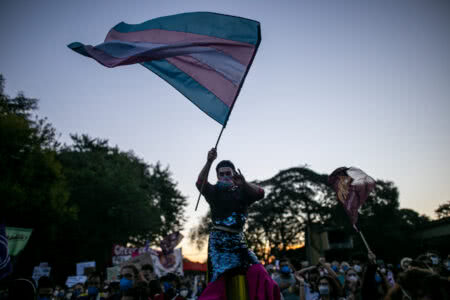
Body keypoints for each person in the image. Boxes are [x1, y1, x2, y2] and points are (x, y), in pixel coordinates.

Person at [196, 148, 280, 300]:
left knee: (259, 272)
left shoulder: (243, 191)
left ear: (234, 174)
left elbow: (260, 193)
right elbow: (200, 182)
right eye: (222, 174)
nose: (225, 176)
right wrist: (209, 161)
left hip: (239, 241)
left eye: (228, 173)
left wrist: (244, 183)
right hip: (219, 243)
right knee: (218, 282)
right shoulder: (213, 191)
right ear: (217, 177)